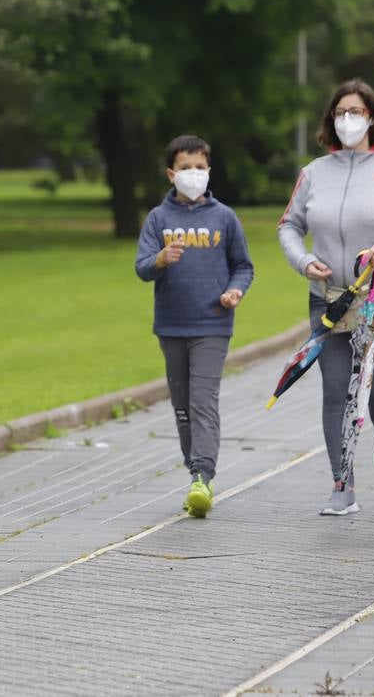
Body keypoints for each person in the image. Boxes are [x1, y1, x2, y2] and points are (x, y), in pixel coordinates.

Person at [278, 78, 374, 516]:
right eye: (340, 112)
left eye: (356, 112)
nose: (348, 120)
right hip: (329, 302)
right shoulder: (313, 174)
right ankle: (342, 485)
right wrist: (303, 260)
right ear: (331, 118)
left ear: (372, 118)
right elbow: (288, 225)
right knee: (336, 394)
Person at [135, 135, 254, 518]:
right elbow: (141, 267)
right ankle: (195, 472)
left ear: (209, 171)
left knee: (203, 402)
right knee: (183, 407)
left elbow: (243, 265)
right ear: (171, 174)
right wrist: (160, 259)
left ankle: (203, 476)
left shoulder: (224, 218)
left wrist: (235, 291)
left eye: (200, 168)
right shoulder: (158, 219)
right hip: (171, 325)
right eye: (185, 168)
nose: (193, 175)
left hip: (212, 325)